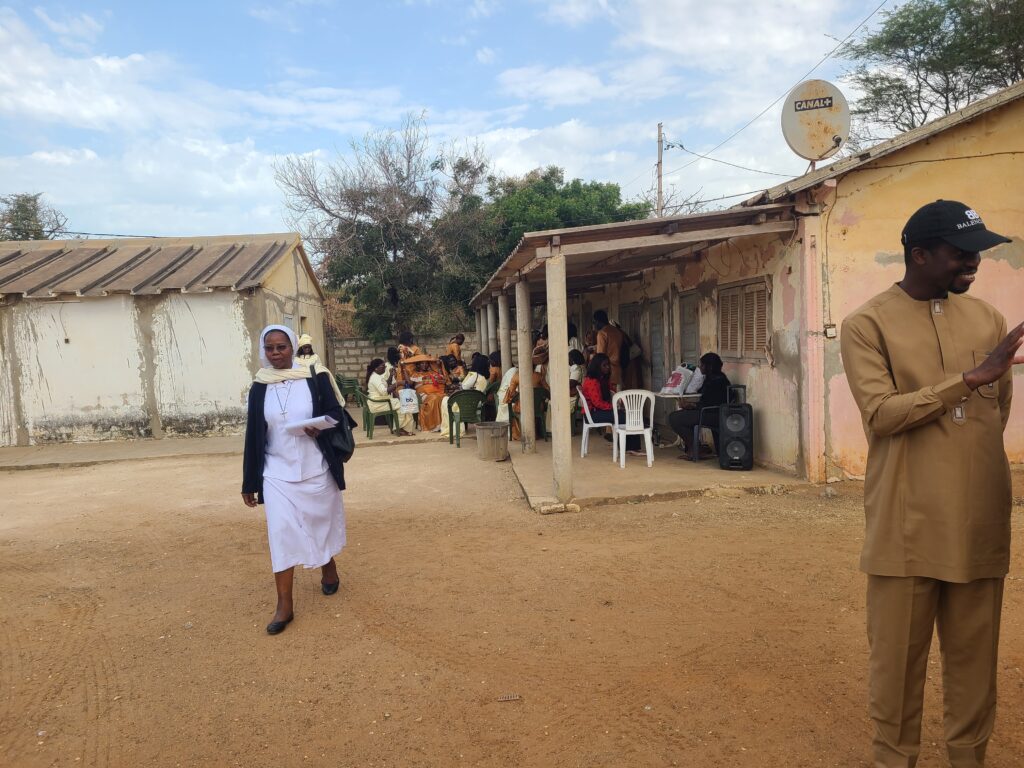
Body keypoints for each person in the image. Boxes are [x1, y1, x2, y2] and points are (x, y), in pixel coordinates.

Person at [840, 200, 1020, 768]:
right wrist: (967, 379)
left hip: (979, 520)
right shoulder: (867, 325)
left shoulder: (988, 320)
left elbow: (996, 414)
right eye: (961, 253)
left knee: (975, 666)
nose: (974, 263)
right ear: (919, 255)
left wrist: (972, 394)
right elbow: (882, 415)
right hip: (906, 526)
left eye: (978, 253)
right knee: (896, 669)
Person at [241, 325, 354, 635]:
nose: (276, 353)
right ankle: (284, 604)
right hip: (276, 471)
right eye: (270, 348)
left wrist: (321, 427)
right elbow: (254, 435)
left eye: (282, 347)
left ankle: (328, 567)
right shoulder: (259, 386)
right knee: (281, 533)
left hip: (315, 466)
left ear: (292, 347)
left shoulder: (315, 377)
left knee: (319, 524)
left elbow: (336, 413)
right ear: (263, 350)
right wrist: (249, 481)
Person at [579, 353, 645, 454]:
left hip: (598, 411)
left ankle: (628, 446)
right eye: (604, 365)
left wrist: (619, 401)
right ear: (597, 366)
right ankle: (631, 448)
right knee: (628, 418)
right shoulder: (592, 381)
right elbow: (598, 403)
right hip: (593, 414)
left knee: (627, 415)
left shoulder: (602, 378)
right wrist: (613, 407)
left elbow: (612, 391)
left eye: (608, 365)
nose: (608, 367)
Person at [668, 353, 730, 457]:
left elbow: (710, 404)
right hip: (708, 412)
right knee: (680, 415)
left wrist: (692, 406)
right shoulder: (712, 378)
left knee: (674, 418)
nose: (700, 367)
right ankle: (695, 447)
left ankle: (696, 448)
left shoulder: (717, 382)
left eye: (702, 365)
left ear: (709, 367)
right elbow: (704, 397)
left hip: (713, 415)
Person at [439, 353, 489, 439]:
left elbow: (464, 387)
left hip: (469, 404)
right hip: (479, 404)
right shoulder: (485, 378)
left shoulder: (474, 375)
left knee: (445, 400)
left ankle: (452, 428)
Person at [366, 358, 415, 436]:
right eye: (383, 366)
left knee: (404, 403)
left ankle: (402, 428)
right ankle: (400, 428)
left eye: (385, 366)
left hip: (379, 401)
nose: (385, 368)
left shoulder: (376, 376)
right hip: (378, 404)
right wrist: (398, 383)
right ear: (376, 368)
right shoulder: (375, 378)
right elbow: (384, 391)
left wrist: (391, 375)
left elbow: (385, 384)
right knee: (404, 405)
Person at [296, 332, 345, 406]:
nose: (307, 349)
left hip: (314, 383)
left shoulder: (315, 357)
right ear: (301, 348)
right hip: (301, 384)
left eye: (309, 347)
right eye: (305, 347)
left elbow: (320, 369)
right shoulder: (296, 359)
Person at [593, 310, 625, 386]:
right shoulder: (617, 331)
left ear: (598, 321)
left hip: (607, 371)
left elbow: (600, 356)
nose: (594, 325)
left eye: (594, 322)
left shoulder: (602, 333)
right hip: (618, 370)